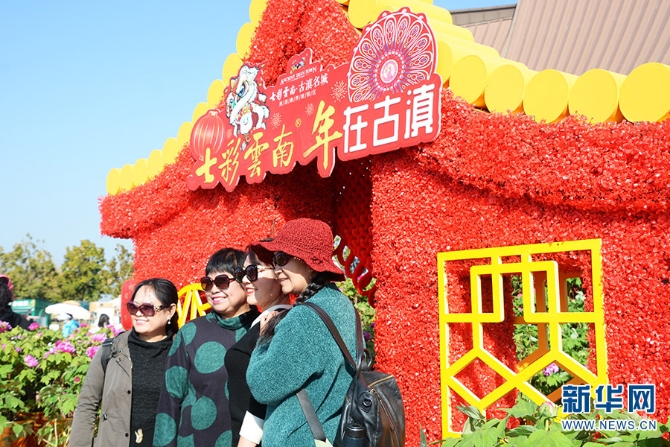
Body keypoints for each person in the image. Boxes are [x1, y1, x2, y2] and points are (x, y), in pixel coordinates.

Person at [246, 218, 357, 447]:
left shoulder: (304, 317)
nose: (277, 269)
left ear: (309, 263)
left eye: (281, 259)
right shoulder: (343, 305)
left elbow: (263, 386)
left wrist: (263, 339)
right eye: (274, 260)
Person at [153, 248, 260, 447]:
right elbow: (169, 402)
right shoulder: (190, 333)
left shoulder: (265, 329)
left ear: (244, 279)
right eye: (207, 283)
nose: (213, 289)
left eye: (222, 281)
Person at [70, 278, 179, 447]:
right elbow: (86, 406)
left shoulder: (182, 352)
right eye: (133, 307)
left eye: (147, 308)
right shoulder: (111, 350)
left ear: (170, 310)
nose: (138, 314)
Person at [225, 243, 292, 447]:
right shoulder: (265, 321)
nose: (245, 280)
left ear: (280, 272)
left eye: (253, 271)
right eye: (241, 273)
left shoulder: (281, 324)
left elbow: (263, 398)